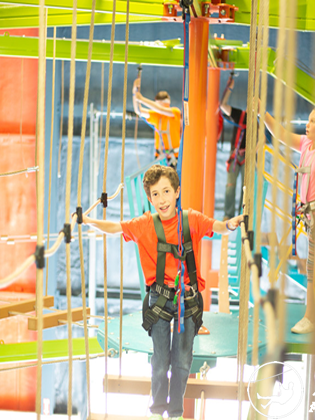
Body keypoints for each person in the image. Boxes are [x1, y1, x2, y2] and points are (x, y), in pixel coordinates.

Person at [83, 165, 243, 420]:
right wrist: (89, 221)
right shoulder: (145, 224)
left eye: (166, 191)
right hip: (159, 300)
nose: (162, 199)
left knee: (182, 362)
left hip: (188, 301)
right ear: (150, 198)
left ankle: (175, 412)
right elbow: (115, 228)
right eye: (155, 194)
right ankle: (157, 410)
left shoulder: (191, 220)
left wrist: (230, 225)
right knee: (160, 362)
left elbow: (217, 226)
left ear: (177, 192)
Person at [262, 106, 315, 334]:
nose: (307, 125)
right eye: (308, 120)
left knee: (313, 266)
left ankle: (311, 317)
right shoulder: (307, 144)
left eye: (312, 121)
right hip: (314, 216)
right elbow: (280, 133)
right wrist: (263, 113)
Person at [132, 77, 181, 167]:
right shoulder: (156, 115)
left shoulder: (175, 112)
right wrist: (135, 91)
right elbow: (138, 110)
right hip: (160, 157)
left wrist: (142, 99)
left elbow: (160, 109)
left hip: (174, 157)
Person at [220, 77, 247, 221]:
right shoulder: (240, 115)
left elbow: (261, 140)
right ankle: (228, 214)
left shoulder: (258, 122)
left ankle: (243, 213)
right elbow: (223, 105)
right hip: (235, 155)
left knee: (246, 187)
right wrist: (229, 89)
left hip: (248, 158)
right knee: (230, 185)